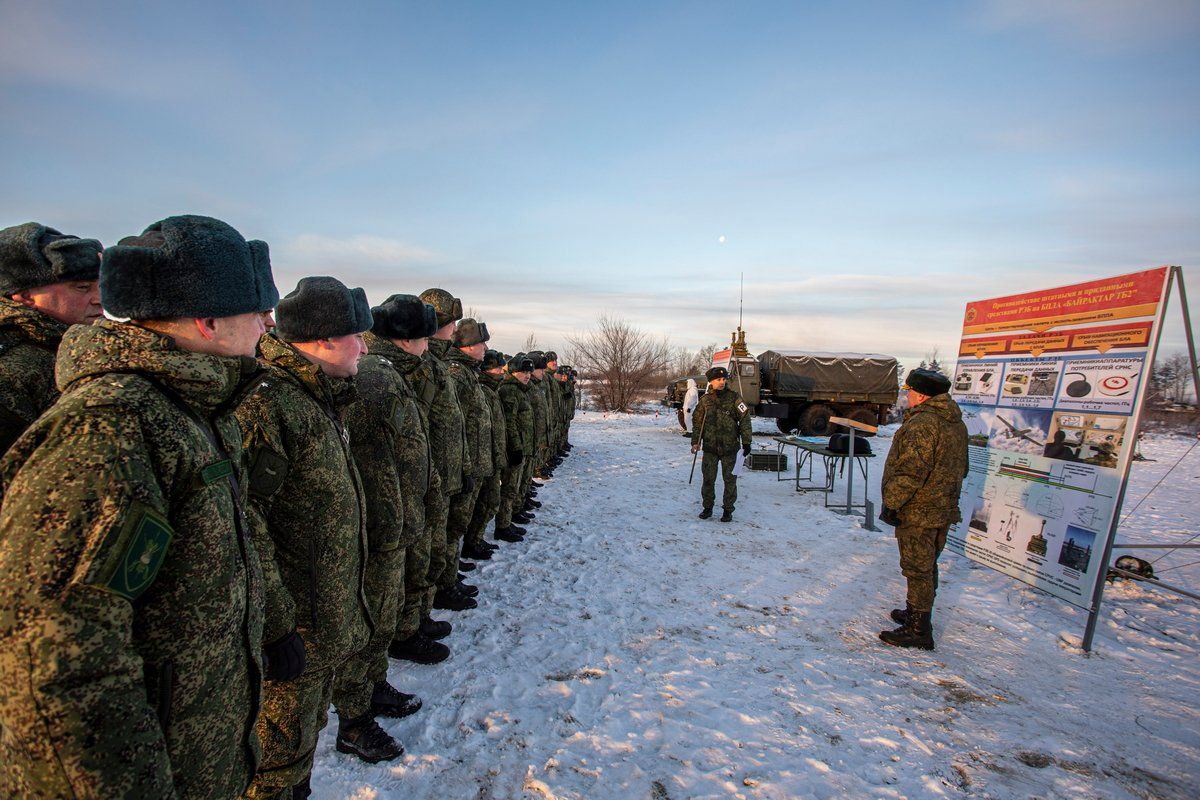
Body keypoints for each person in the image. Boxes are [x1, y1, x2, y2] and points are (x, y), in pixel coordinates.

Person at [0, 214, 277, 798]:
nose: (267, 325)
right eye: (257, 310)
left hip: (204, 744)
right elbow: (58, 665)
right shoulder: (110, 428)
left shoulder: (194, 404)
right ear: (208, 320)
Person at [235, 277, 376, 797]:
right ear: (319, 340)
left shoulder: (315, 397)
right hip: (295, 624)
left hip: (320, 617)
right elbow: (248, 525)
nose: (364, 346)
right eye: (354, 336)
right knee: (273, 761)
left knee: (299, 748)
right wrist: (276, 625)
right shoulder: (269, 404)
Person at [878, 368, 969, 650]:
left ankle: (919, 628)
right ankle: (915, 610)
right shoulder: (954, 422)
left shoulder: (923, 424)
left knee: (917, 567)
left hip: (919, 509)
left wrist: (892, 502)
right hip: (942, 506)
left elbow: (910, 471)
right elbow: (963, 468)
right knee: (927, 564)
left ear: (919, 394)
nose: (906, 397)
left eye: (908, 392)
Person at [0, 222, 102, 457]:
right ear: (25, 295)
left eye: (101, 286)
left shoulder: (75, 347)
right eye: (83, 287)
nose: (99, 299)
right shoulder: (12, 365)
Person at [418, 288, 477, 611]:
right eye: (450, 323)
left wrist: (464, 467)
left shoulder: (437, 365)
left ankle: (444, 583)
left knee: (445, 536)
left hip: (447, 470)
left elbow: (457, 426)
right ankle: (426, 605)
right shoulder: (428, 368)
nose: (455, 330)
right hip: (432, 475)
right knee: (428, 547)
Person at [447, 318, 495, 571]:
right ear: (467, 345)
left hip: (475, 460)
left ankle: (451, 568)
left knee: (461, 520)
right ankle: (447, 576)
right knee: (454, 523)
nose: (486, 348)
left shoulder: (467, 372)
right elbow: (457, 424)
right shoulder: (456, 373)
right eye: (481, 343)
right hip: (465, 463)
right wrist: (464, 466)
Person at [691, 366, 752, 522]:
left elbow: (745, 419)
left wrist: (746, 442)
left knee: (730, 481)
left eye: (724, 379)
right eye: (718, 379)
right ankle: (708, 508)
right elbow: (698, 423)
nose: (722, 382)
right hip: (710, 448)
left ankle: (728, 510)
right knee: (708, 479)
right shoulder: (705, 401)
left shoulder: (734, 398)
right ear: (711, 381)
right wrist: (695, 442)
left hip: (730, 448)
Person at [465, 348, 508, 558]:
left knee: (489, 503)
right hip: (480, 459)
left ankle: (476, 540)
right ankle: (471, 543)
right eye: (498, 368)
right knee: (475, 508)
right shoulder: (482, 390)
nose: (501, 372)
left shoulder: (492, 392)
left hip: (491, 458)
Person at [495, 355, 535, 542]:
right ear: (513, 372)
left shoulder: (521, 390)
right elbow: (509, 422)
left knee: (515, 485)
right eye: (523, 372)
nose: (527, 375)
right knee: (509, 487)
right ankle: (502, 525)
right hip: (514, 448)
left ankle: (509, 519)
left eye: (528, 372)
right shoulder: (510, 391)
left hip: (522, 445)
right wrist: (515, 448)